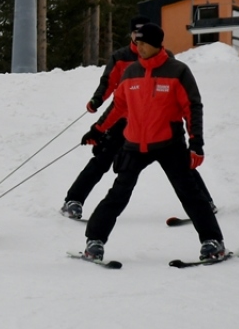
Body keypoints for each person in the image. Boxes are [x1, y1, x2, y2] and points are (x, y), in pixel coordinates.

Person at [82, 24, 227, 262]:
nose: (138, 47)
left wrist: (196, 144)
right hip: (134, 145)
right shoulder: (131, 73)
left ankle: (213, 242)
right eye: (136, 43)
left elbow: (192, 108)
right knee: (117, 194)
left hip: (169, 144)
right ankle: (94, 242)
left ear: (157, 44)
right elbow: (118, 106)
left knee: (189, 192)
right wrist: (98, 130)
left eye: (143, 43)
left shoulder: (178, 71)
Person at [61, 16, 214, 220]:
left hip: (155, 123)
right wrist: (97, 101)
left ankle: (206, 203)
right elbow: (109, 82)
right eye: (136, 33)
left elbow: (178, 91)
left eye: (144, 34)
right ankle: (74, 200)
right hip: (124, 121)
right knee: (103, 159)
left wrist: (194, 138)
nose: (139, 39)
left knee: (180, 165)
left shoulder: (165, 58)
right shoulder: (121, 57)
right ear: (132, 34)